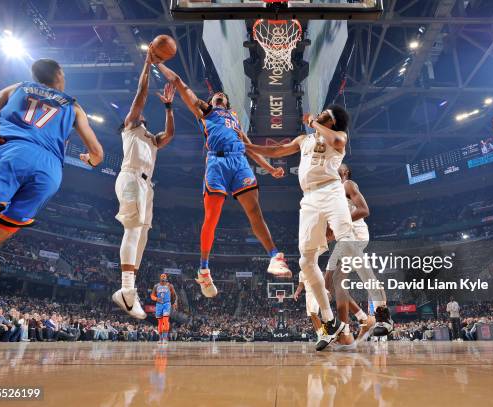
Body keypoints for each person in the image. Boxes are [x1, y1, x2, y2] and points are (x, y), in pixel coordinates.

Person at [0, 58, 104, 307]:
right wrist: (90, 160)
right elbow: (97, 153)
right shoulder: (74, 107)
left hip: (14, 153)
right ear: (59, 75)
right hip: (50, 171)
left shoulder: (16, 88)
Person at [153, 63, 292, 299]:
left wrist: (269, 168)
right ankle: (204, 269)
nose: (220, 96)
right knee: (212, 217)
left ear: (227, 103)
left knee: (255, 212)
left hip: (239, 162)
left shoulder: (235, 119)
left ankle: (274, 257)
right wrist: (157, 62)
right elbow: (180, 82)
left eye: (223, 96)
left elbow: (248, 146)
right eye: (217, 95)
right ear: (212, 100)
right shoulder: (206, 112)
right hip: (216, 163)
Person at [244, 106, 355, 351]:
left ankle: (373, 308)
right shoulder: (303, 140)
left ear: (332, 120)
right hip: (309, 199)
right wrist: (250, 147)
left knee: (348, 241)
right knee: (306, 262)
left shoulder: (338, 137)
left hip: (331, 190)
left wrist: (314, 122)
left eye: (326, 112)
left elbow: (336, 139)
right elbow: (277, 150)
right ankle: (329, 320)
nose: (321, 112)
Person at [112, 48, 176, 320]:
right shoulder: (131, 126)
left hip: (147, 186)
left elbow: (169, 134)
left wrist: (169, 108)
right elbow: (141, 94)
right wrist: (148, 66)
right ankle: (126, 290)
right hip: (131, 176)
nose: (140, 115)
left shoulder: (151, 138)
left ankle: (129, 290)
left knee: (142, 236)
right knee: (133, 228)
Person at [325, 163, 390, 348]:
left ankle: (379, 315)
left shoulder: (348, 185)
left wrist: (339, 226)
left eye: (337, 167)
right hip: (345, 237)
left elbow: (364, 210)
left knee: (355, 275)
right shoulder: (333, 195)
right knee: (338, 282)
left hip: (357, 235)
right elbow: (332, 232)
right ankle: (362, 320)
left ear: (345, 172)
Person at [150, 273, 177, 345]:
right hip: (159, 305)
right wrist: (156, 298)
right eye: (162, 276)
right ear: (160, 278)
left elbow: (174, 295)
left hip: (167, 304)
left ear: (166, 278)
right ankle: (160, 338)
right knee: (160, 322)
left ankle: (165, 338)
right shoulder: (156, 286)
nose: (163, 277)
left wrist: (174, 303)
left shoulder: (170, 285)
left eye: (164, 276)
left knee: (165, 320)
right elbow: (152, 295)